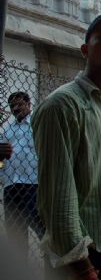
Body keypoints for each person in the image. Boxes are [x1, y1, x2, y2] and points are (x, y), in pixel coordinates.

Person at [32, 12, 101, 279]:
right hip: (88, 257)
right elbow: (58, 198)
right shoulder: (63, 106)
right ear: (85, 49)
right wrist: (81, 266)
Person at [0, 91, 45, 260]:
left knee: (42, 229)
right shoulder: (6, 130)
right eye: (12, 106)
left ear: (28, 104)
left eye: (19, 104)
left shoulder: (37, 122)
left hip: (33, 185)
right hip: (11, 187)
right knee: (16, 237)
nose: (16, 108)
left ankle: (52, 263)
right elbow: (0, 164)